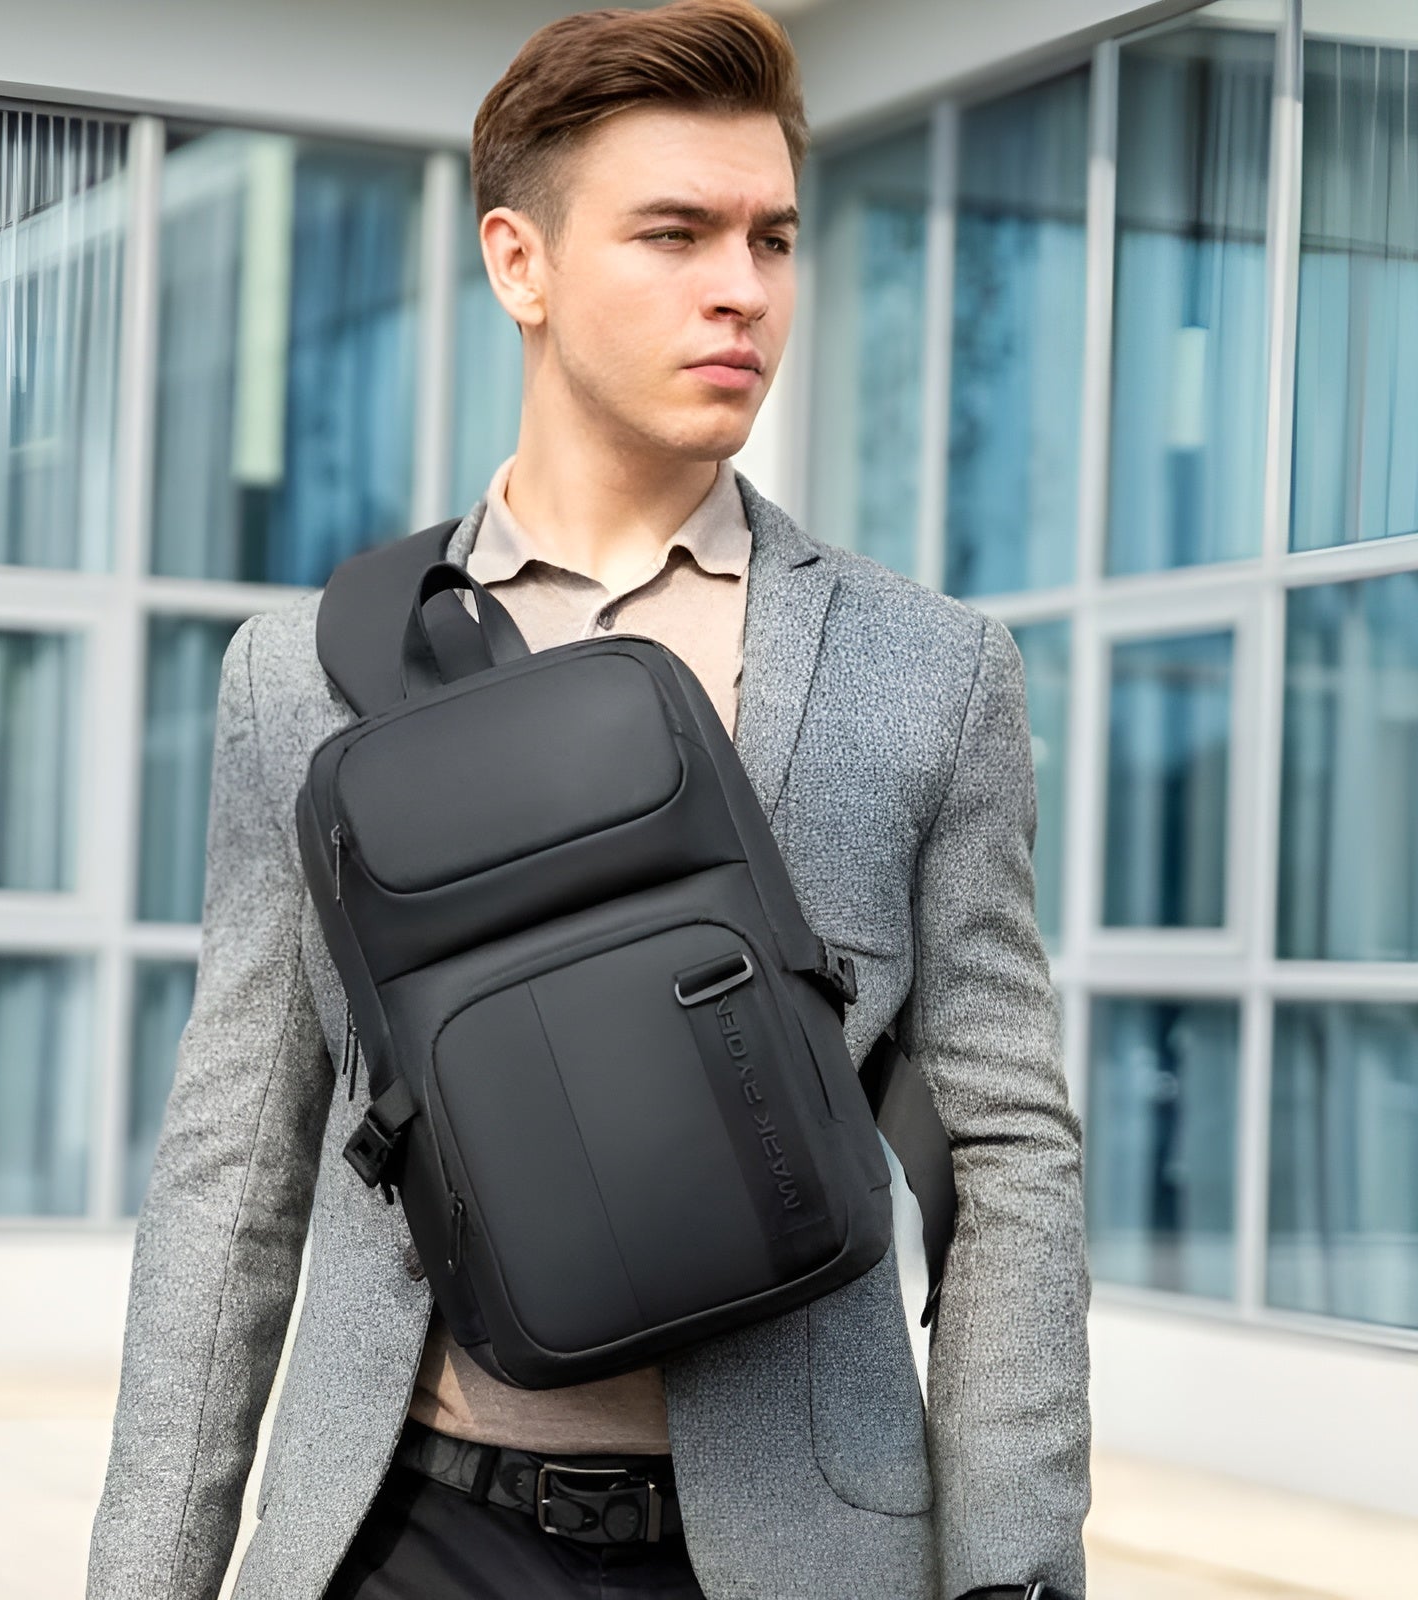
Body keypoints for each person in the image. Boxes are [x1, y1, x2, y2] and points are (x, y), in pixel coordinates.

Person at [86, 3, 1092, 1597]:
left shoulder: (933, 670)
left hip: (789, 1554)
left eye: (773, 238)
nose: (742, 289)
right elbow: (235, 1163)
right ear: (520, 265)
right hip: (401, 1528)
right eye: (676, 232)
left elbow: (1011, 1153)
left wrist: (1016, 1574)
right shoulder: (313, 673)